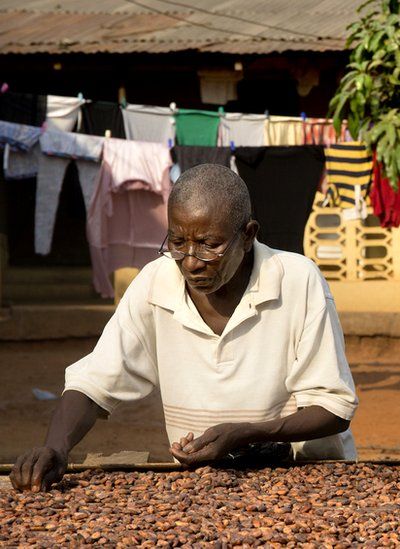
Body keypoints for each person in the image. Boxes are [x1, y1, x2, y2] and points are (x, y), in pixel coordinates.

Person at [10, 164, 358, 492]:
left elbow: (333, 407)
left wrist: (247, 434)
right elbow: (95, 381)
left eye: (209, 245)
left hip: (304, 476)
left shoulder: (297, 280)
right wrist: (56, 446)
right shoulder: (156, 282)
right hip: (203, 482)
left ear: (248, 235)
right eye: (178, 242)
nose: (191, 261)